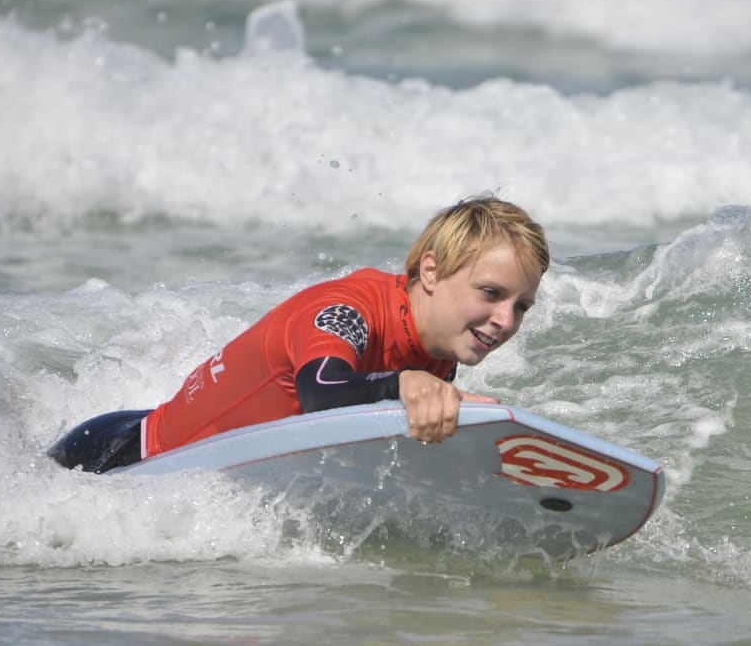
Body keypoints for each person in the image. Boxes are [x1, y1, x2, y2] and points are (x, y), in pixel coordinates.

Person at [49, 197, 549, 473]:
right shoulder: (346, 312)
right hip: (116, 460)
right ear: (433, 272)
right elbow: (321, 393)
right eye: (490, 293)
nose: (505, 320)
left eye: (520, 305)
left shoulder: (441, 344)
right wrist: (404, 383)